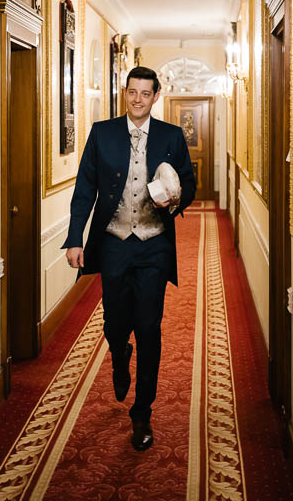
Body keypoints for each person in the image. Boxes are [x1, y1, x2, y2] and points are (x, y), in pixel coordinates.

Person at [62, 66, 196, 451]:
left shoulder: (171, 136)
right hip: (115, 242)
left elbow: (189, 183)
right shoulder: (102, 133)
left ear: (156, 96)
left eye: (145, 93)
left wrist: (176, 198)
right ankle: (120, 354)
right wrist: (75, 239)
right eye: (132, 92)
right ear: (125, 93)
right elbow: (85, 187)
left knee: (149, 327)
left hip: (154, 243)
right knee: (115, 323)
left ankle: (142, 412)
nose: (138, 99)